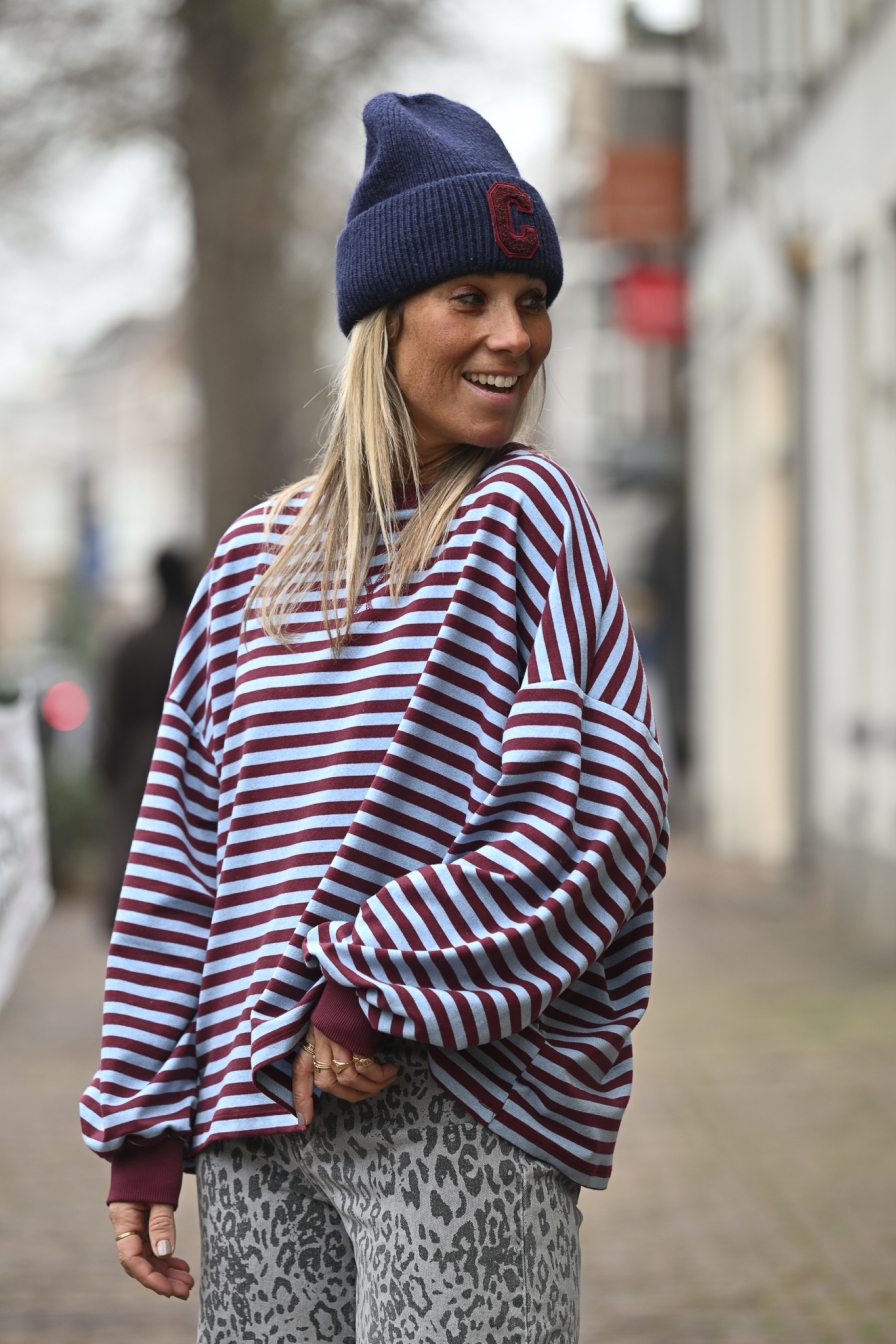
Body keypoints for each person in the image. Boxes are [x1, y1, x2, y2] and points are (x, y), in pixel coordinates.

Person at [81, 93, 668, 1344]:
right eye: (470, 297)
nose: (514, 335)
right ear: (383, 318)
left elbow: (593, 818)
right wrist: (142, 1124)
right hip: (252, 1131)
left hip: (454, 1102)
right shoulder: (251, 562)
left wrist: (369, 988)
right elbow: (181, 858)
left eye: (531, 298)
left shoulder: (524, 518)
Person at [97, 549, 193, 929]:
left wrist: (110, 769)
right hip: (192, 755)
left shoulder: (135, 644)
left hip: (139, 761)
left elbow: (114, 715)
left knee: (134, 844)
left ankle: (132, 925)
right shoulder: (197, 639)